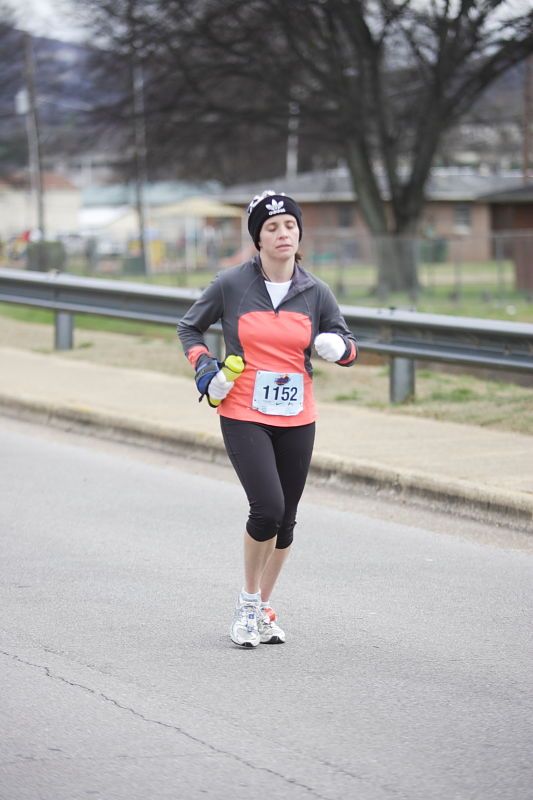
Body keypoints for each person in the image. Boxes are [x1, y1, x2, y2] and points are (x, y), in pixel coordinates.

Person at [178, 190, 357, 648]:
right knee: (268, 509)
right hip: (243, 410)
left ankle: (260, 606)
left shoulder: (315, 290)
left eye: (290, 227)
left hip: (298, 415)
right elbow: (190, 327)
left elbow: (346, 341)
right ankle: (247, 602)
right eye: (272, 228)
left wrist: (339, 349)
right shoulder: (232, 284)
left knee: (288, 519)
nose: (283, 234)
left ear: (299, 235)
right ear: (257, 238)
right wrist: (205, 371)